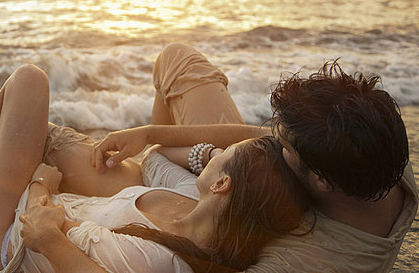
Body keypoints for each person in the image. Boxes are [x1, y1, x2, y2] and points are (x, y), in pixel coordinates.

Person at [0, 51, 308, 273]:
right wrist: (201, 152)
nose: (213, 151)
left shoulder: (156, 258)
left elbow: (42, 233)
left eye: (223, 156)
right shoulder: (190, 198)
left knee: (28, 80)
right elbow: (161, 156)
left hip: (12, 235)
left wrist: (41, 187)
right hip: (60, 204)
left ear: (224, 185)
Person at [92, 44, 418, 273]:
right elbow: (260, 137)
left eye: (286, 146)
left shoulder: (306, 262)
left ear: (321, 181)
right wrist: (151, 133)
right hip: (242, 182)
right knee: (176, 58)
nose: (272, 138)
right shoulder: (375, 142)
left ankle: (129, 181)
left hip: (232, 209)